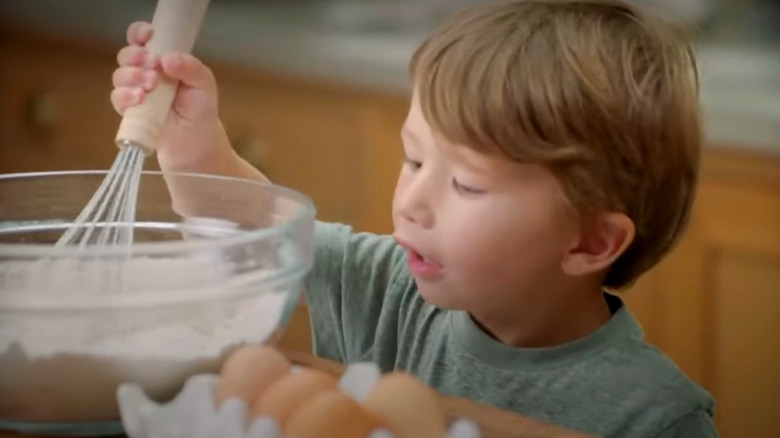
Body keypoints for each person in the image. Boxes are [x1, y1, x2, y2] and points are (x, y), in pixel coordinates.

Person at [110, 1, 717, 436]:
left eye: (465, 184)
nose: (412, 201)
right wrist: (190, 142)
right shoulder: (388, 288)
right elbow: (250, 231)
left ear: (590, 240)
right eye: (414, 158)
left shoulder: (656, 416)